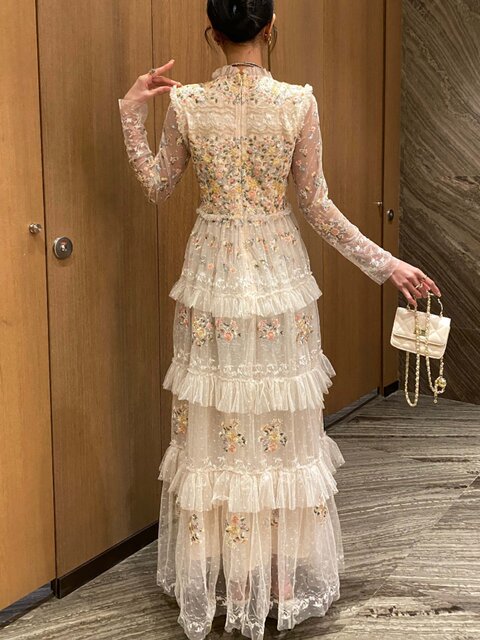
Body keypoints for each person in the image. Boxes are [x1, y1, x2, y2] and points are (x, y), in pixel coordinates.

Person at [118, 2, 441, 638]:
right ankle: (279, 582)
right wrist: (388, 265)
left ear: (211, 33)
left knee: (222, 425)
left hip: (213, 274)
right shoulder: (297, 103)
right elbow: (316, 206)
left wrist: (132, 111)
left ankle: (233, 579)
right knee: (276, 427)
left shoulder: (187, 105)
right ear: (271, 28)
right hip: (277, 274)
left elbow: (157, 185)